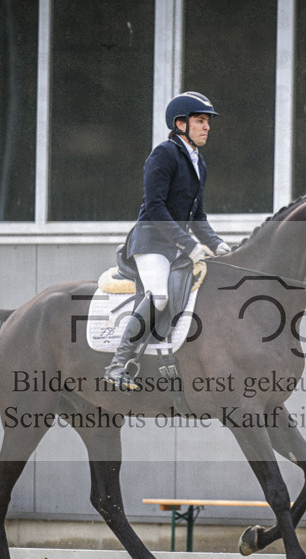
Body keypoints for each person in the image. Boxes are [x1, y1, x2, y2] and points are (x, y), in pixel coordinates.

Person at [103, 91, 231, 390]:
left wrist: (216, 243)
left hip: (173, 246)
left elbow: (197, 215)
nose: (207, 127)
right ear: (180, 123)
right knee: (158, 295)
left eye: (207, 122)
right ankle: (118, 365)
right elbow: (155, 207)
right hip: (150, 241)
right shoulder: (164, 154)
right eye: (200, 121)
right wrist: (188, 245)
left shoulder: (199, 163)